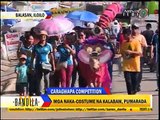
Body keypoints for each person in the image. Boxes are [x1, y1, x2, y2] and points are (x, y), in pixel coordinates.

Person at [31, 30, 55, 95]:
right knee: (39, 80)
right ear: (39, 37)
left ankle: (47, 93)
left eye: (44, 36)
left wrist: (53, 66)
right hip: (38, 65)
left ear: (46, 37)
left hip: (46, 64)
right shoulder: (35, 46)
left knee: (47, 79)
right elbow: (33, 57)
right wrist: (31, 66)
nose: (43, 37)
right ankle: (40, 93)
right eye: (41, 36)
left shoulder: (49, 46)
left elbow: (52, 57)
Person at [120, 28, 142, 94]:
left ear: (128, 34)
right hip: (126, 67)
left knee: (134, 86)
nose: (123, 37)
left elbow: (139, 52)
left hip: (135, 67)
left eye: (124, 35)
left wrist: (130, 52)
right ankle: (130, 98)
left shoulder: (136, 42)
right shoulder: (123, 43)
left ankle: (133, 95)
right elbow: (121, 52)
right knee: (128, 83)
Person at [131, 23, 148, 92]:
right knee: (132, 72)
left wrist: (145, 55)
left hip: (139, 57)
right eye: (133, 28)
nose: (135, 30)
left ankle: (137, 84)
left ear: (138, 29)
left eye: (136, 28)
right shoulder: (130, 37)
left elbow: (145, 46)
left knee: (139, 72)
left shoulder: (141, 37)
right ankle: (133, 85)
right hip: (131, 57)